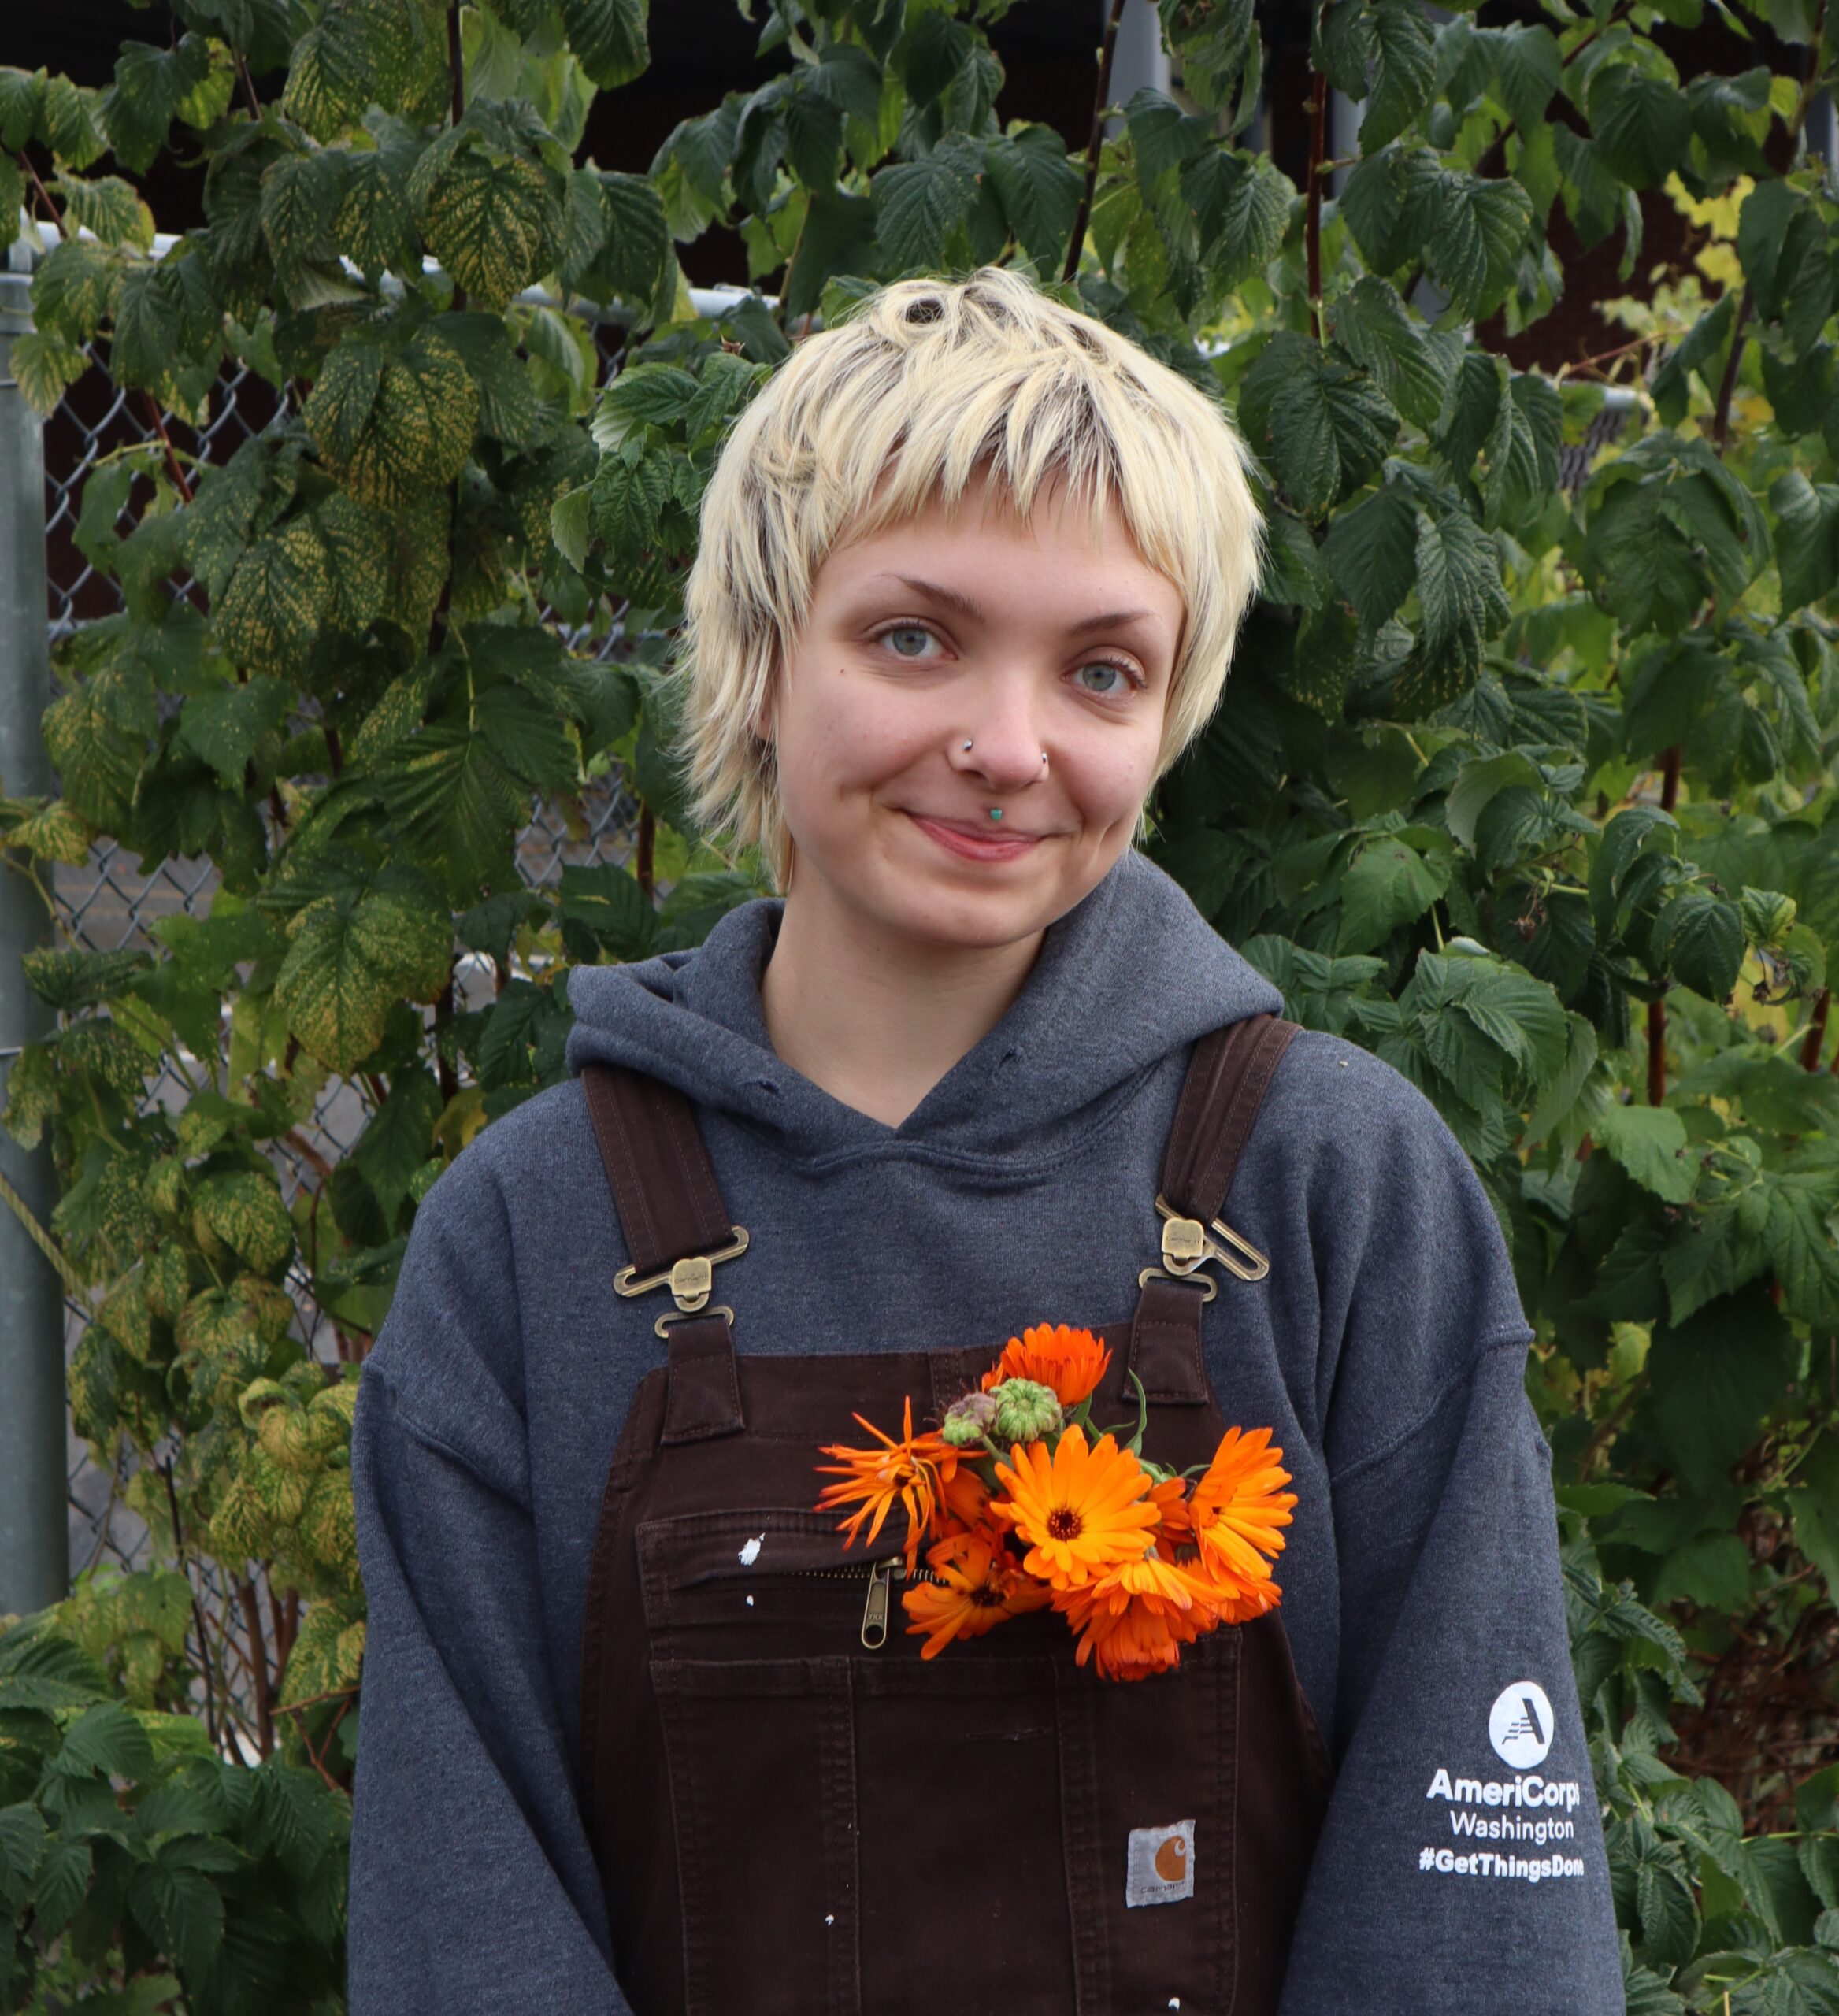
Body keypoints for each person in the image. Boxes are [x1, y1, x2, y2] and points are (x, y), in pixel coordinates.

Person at [347, 266, 1624, 2014]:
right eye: (913, 638)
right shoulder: (529, 1237)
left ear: (1162, 722)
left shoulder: (1333, 1186)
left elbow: (1471, 1926)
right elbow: (463, 1922)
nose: (1006, 746)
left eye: (1099, 670)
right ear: (757, 664)